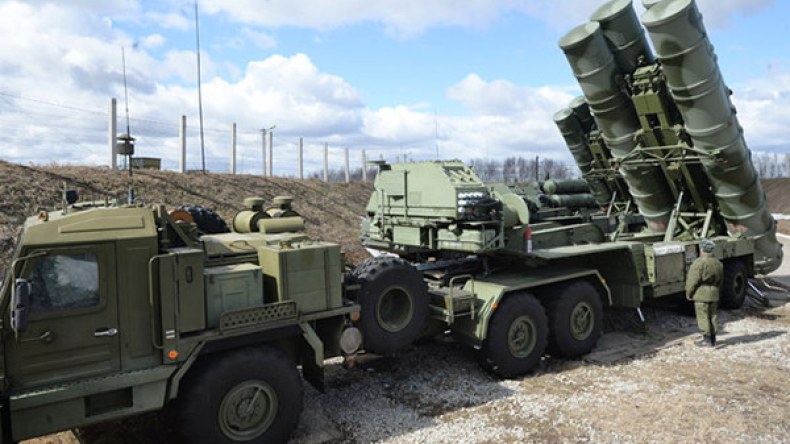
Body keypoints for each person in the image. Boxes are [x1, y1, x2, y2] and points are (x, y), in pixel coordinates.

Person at [685, 239, 723, 347]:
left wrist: (689, 293)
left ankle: (706, 339)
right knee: (713, 316)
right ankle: (713, 339)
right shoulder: (718, 263)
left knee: (703, 316)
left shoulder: (699, 263)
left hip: (701, 294)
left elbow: (693, 281)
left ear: (701, 249)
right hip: (714, 293)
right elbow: (721, 281)